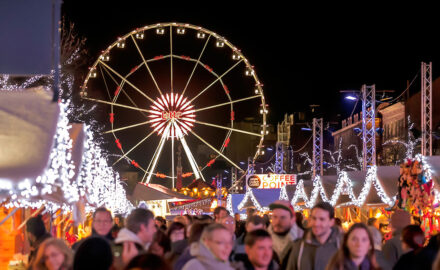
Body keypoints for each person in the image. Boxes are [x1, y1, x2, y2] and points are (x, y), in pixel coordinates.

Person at [286, 202, 342, 270]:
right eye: (314, 218)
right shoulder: (299, 247)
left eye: (322, 219)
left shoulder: (342, 247)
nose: (316, 223)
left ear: (331, 222)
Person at [268, 200, 304, 268]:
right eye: (275, 217)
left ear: (292, 219)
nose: (278, 222)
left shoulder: (304, 241)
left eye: (283, 217)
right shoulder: (263, 240)